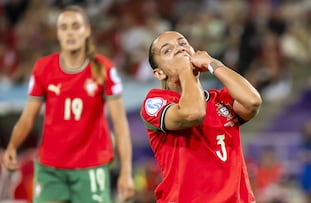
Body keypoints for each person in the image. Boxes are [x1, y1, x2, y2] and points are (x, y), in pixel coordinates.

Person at [2, 5, 134, 203]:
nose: (70, 32)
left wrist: (126, 171)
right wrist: (13, 145)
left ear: (87, 30)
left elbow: (121, 124)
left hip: (91, 165)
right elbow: (28, 117)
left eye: (76, 26)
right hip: (50, 167)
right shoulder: (43, 68)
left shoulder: (103, 69)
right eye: (64, 27)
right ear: (57, 33)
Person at [140, 31, 262, 203]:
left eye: (183, 44)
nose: (179, 50)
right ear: (159, 73)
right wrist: (185, 70)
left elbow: (252, 101)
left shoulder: (220, 99)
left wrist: (213, 64)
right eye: (167, 51)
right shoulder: (155, 103)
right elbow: (194, 113)